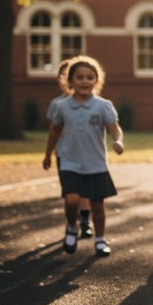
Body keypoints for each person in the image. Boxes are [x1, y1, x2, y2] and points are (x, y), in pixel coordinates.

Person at [42, 55, 125, 257]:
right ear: (70, 82)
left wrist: (118, 141)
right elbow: (54, 132)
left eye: (89, 77)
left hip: (95, 163)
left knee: (97, 206)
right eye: (80, 77)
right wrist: (48, 155)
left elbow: (115, 129)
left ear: (96, 81)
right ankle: (72, 226)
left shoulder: (103, 106)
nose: (85, 81)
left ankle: (100, 239)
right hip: (69, 161)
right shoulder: (62, 107)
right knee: (71, 201)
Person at [45, 59, 93, 239]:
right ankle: (72, 221)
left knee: (86, 191)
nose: (81, 81)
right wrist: (48, 154)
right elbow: (53, 130)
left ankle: (86, 222)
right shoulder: (58, 104)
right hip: (65, 154)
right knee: (72, 193)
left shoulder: (94, 103)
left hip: (87, 154)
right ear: (64, 80)